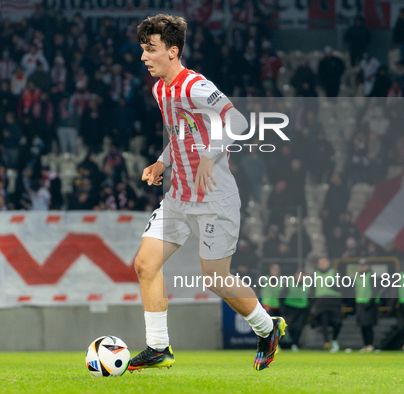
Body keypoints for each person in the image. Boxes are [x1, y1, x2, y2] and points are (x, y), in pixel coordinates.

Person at [129, 14, 285, 372]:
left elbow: (239, 122)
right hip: (179, 196)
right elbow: (180, 134)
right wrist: (160, 163)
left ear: (172, 51)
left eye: (150, 50)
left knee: (215, 278)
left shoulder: (196, 86)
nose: (143, 57)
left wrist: (211, 155)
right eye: (142, 49)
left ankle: (267, 328)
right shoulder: (159, 90)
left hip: (214, 197)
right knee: (144, 264)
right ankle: (158, 347)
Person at [310, 257, 343, 353]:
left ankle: (334, 339)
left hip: (334, 301)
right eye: (321, 262)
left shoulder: (335, 273)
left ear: (329, 262)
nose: (323, 264)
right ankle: (327, 342)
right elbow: (312, 289)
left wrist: (334, 286)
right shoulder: (315, 275)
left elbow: (343, 288)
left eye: (325, 262)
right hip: (321, 302)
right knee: (324, 322)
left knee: (338, 322)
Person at [355, 261, 378, 352]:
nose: (362, 267)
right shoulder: (358, 277)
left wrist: (370, 301)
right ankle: (365, 344)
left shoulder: (371, 276)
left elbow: (375, 290)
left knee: (369, 325)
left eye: (364, 265)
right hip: (360, 303)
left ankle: (370, 344)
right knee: (362, 325)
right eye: (360, 266)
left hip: (369, 304)